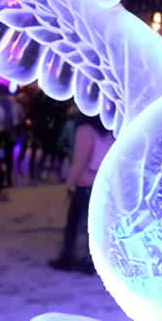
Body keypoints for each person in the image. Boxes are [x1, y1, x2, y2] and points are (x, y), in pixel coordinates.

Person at [50, 114, 113, 273]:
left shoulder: (85, 130)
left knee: (74, 223)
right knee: (97, 225)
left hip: (86, 182)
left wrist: (71, 182)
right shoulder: (113, 129)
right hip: (104, 182)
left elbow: (80, 160)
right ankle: (92, 260)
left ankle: (68, 258)